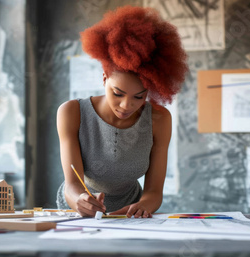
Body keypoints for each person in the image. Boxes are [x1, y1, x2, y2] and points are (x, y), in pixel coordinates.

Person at [56, 5, 188, 218]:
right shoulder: (72, 112)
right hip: (78, 210)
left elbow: (154, 192)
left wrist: (144, 205)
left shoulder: (159, 118)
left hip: (132, 214)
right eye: (118, 93)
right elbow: (72, 184)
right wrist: (80, 200)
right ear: (104, 79)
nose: (127, 105)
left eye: (139, 96)